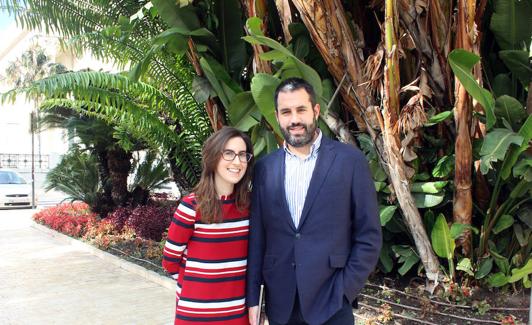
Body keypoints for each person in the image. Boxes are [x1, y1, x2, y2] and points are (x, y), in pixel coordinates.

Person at [247, 78, 382, 325]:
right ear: (277, 116)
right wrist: (253, 298)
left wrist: (345, 290)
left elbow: (369, 235)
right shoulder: (265, 168)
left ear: (316, 111)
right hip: (281, 304)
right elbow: (258, 239)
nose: (294, 119)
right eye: (286, 112)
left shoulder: (349, 161)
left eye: (301, 110)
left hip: (331, 302)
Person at [162, 127, 254, 325]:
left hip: (237, 316)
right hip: (195, 315)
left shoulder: (250, 207)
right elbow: (170, 262)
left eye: (242, 155)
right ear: (213, 157)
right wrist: (197, 285)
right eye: (228, 154)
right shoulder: (191, 206)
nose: (237, 162)